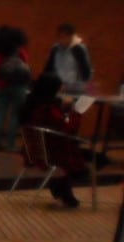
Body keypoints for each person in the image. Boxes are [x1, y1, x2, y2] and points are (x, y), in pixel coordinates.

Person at [21, 72, 89, 207]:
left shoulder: (31, 104)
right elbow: (68, 129)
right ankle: (63, 188)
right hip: (54, 153)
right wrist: (75, 112)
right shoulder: (48, 108)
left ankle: (61, 189)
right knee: (94, 158)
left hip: (36, 150)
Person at [0, 26, 31, 151]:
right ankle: (10, 144)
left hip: (1, 86)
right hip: (18, 86)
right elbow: (26, 66)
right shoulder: (20, 52)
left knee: (0, 114)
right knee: (15, 115)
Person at [42, 23, 92, 95]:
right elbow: (48, 69)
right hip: (58, 89)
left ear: (70, 36)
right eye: (59, 37)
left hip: (75, 91)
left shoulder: (78, 49)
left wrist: (72, 87)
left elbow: (86, 74)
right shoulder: (55, 49)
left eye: (63, 37)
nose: (60, 40)